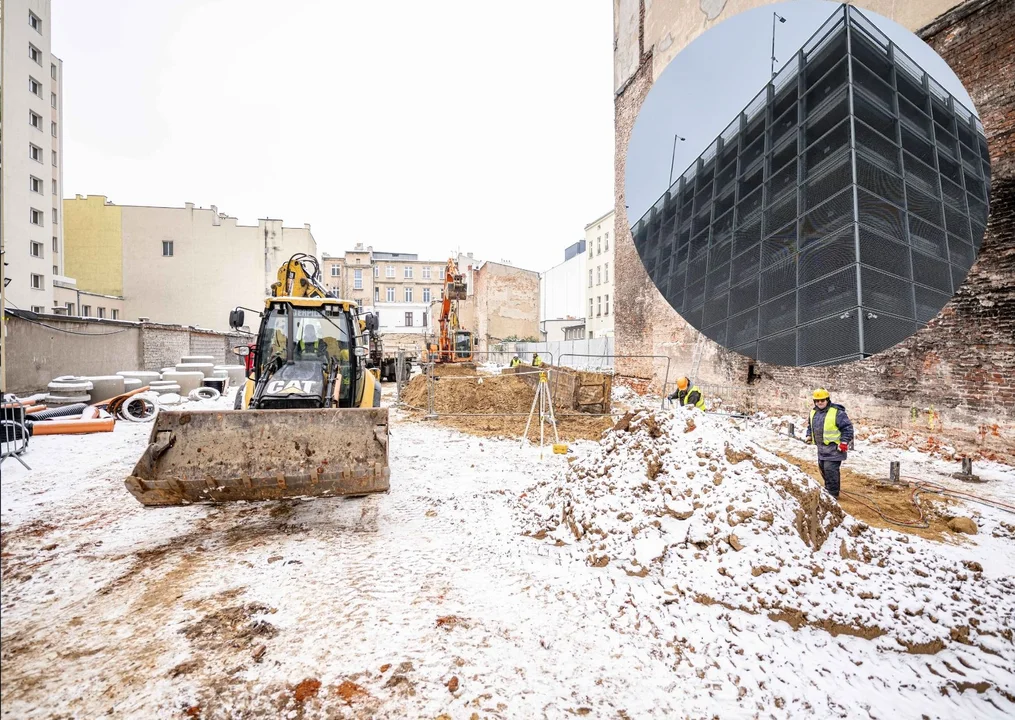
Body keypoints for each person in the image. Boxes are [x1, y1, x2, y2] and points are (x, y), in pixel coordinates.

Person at [805, 388, 854, 499]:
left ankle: (832, 495)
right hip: (821, 449)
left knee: (830, 470)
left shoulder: (837, 412)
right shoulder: (814, 412)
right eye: (817, 401)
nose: (820, 403)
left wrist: (844, 442)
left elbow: (847, 428)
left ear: (827, 400)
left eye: (822, 400)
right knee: (823, 469)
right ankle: (829, 489)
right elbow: (810, 426)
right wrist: (809, 435)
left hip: (835, 449)